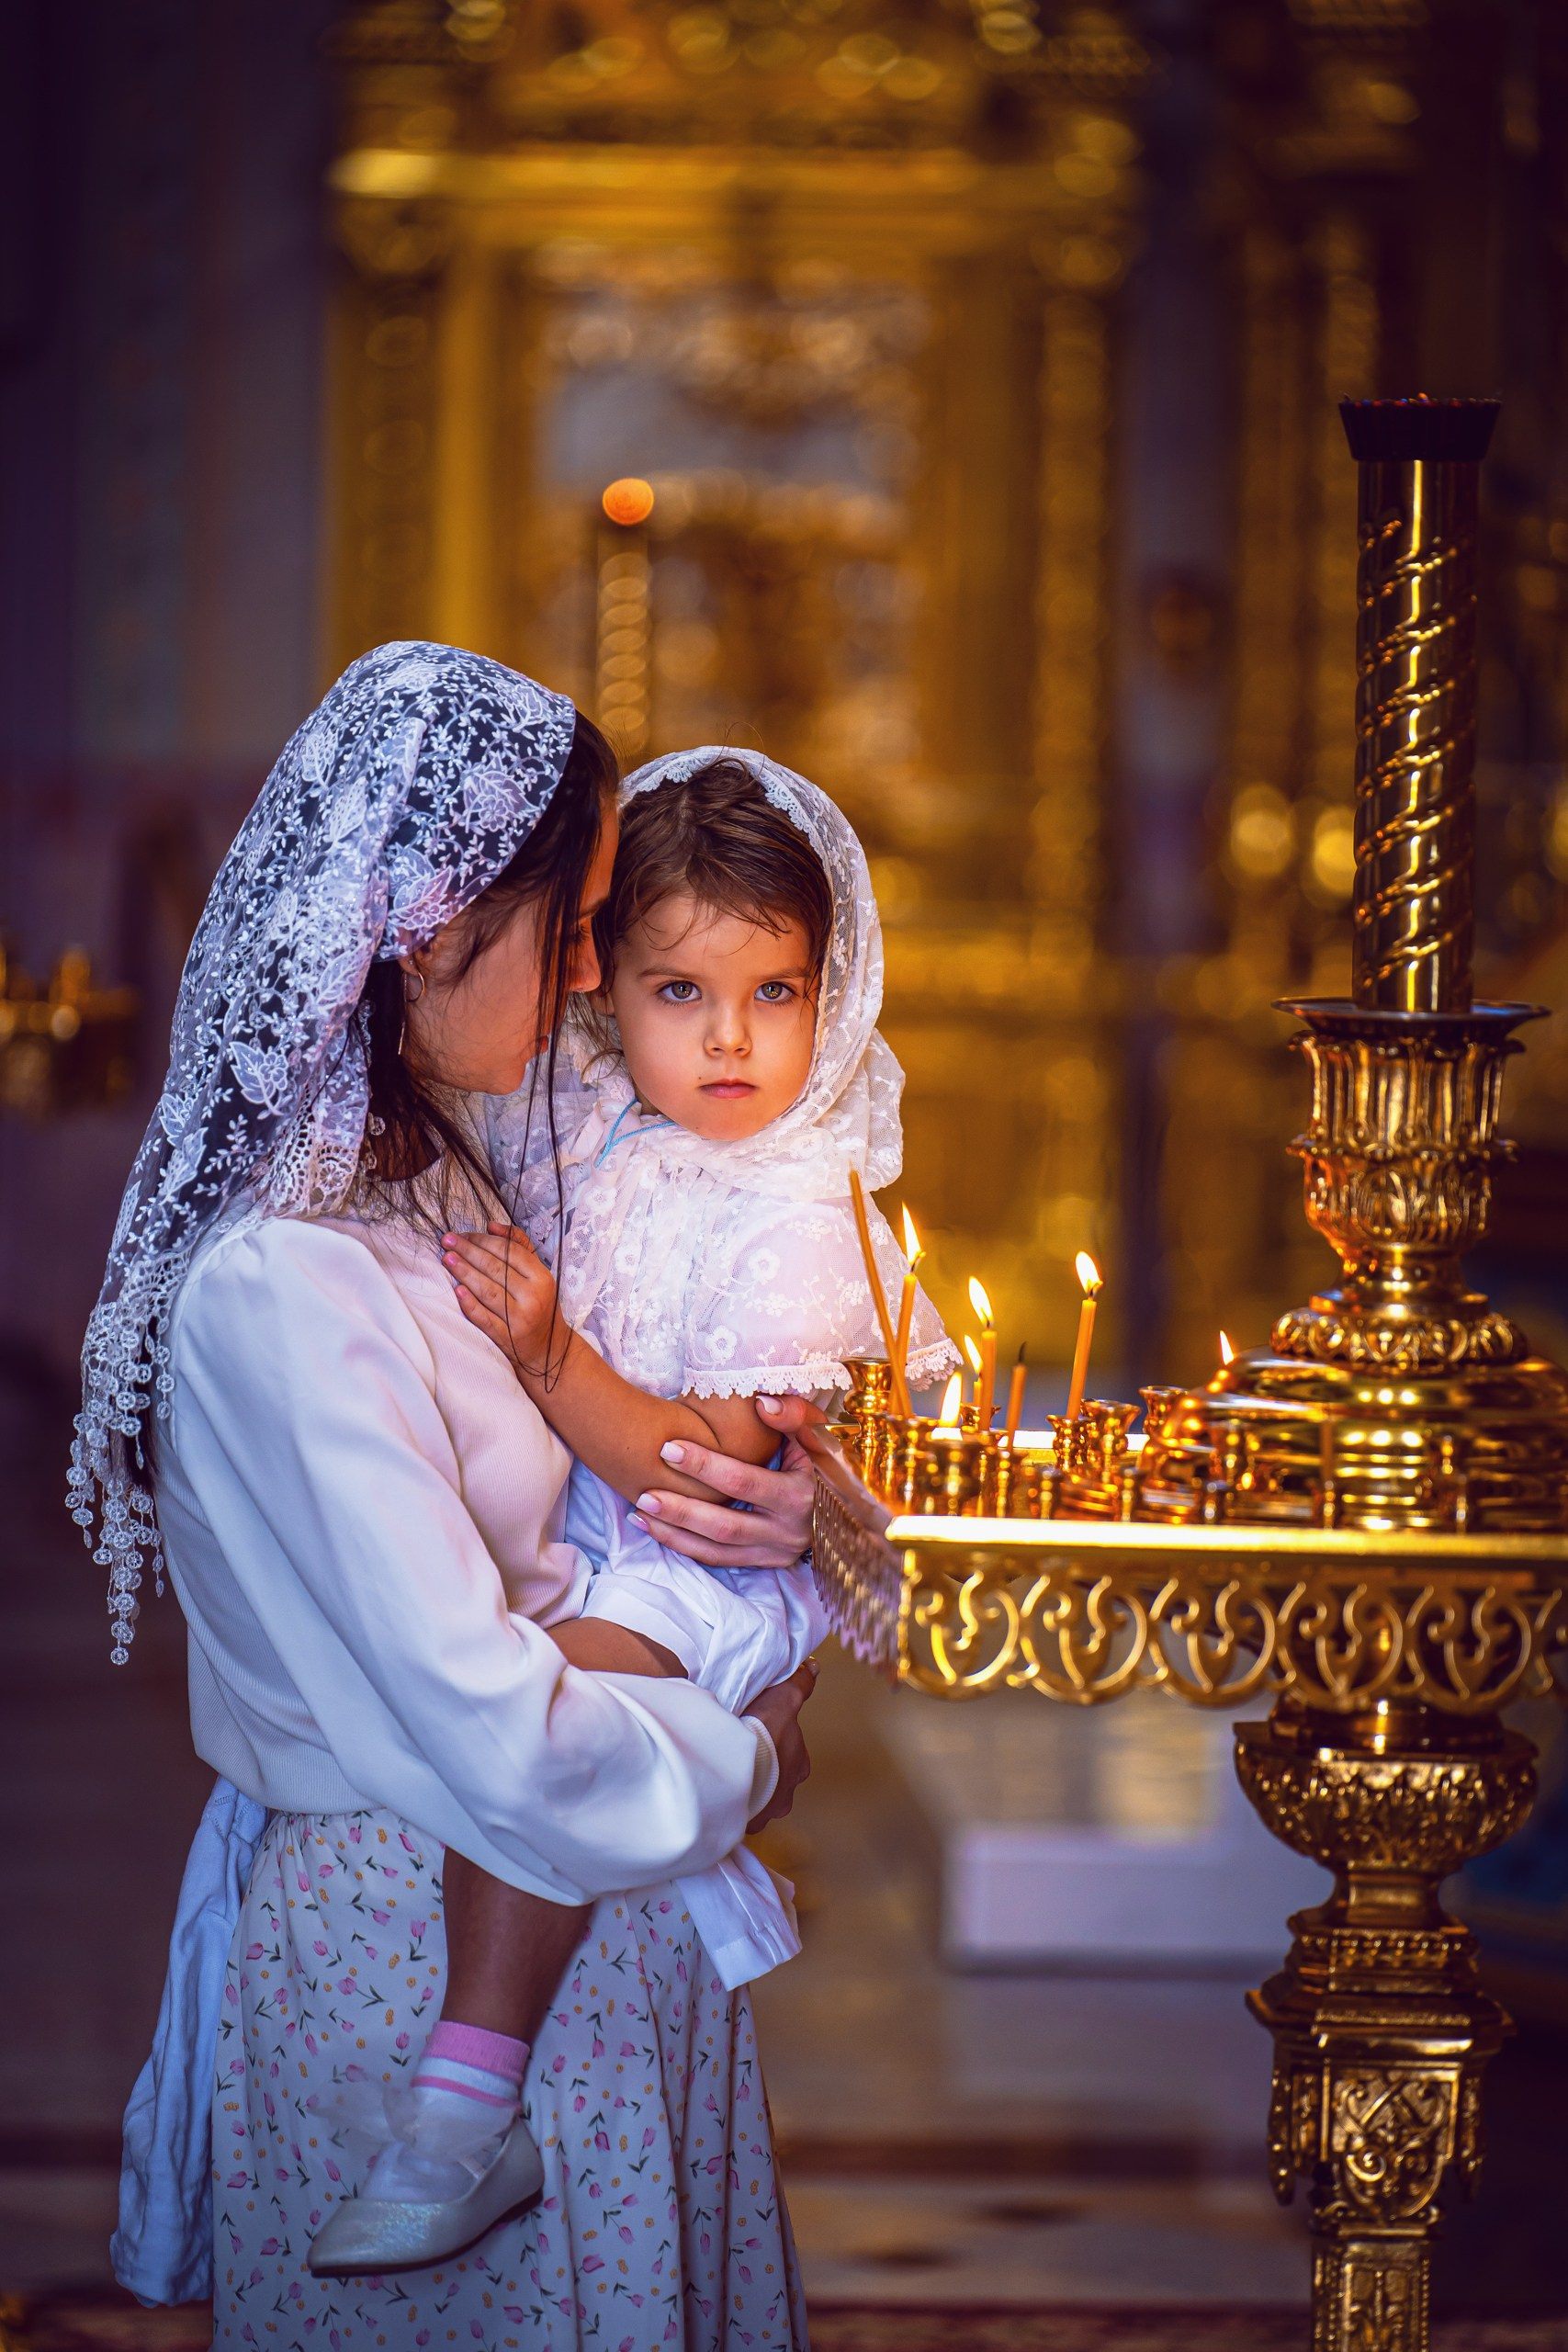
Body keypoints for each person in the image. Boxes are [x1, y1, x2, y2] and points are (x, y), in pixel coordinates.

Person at [83, 643, 820, 2348]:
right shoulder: (278, 1287)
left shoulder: (440, 1188)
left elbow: (661, 1420)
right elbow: (494, 1728)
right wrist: (757, 1747)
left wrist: (766, 1508)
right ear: (425, 929)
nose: (586, 978)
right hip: (414, 1966)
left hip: (580, 1931)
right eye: (570, 928)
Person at [314, 752, 954, 2271]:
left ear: (834, 987)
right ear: (609, 992)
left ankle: (463, 2114)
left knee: (554, 1711)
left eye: (776, 993)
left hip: (701, 1568)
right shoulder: (602, 1125)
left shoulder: (805, 1212)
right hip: (607, 1536)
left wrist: (548, 1353)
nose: (731, 1039)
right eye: (681, 994)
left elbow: (698, 1469)